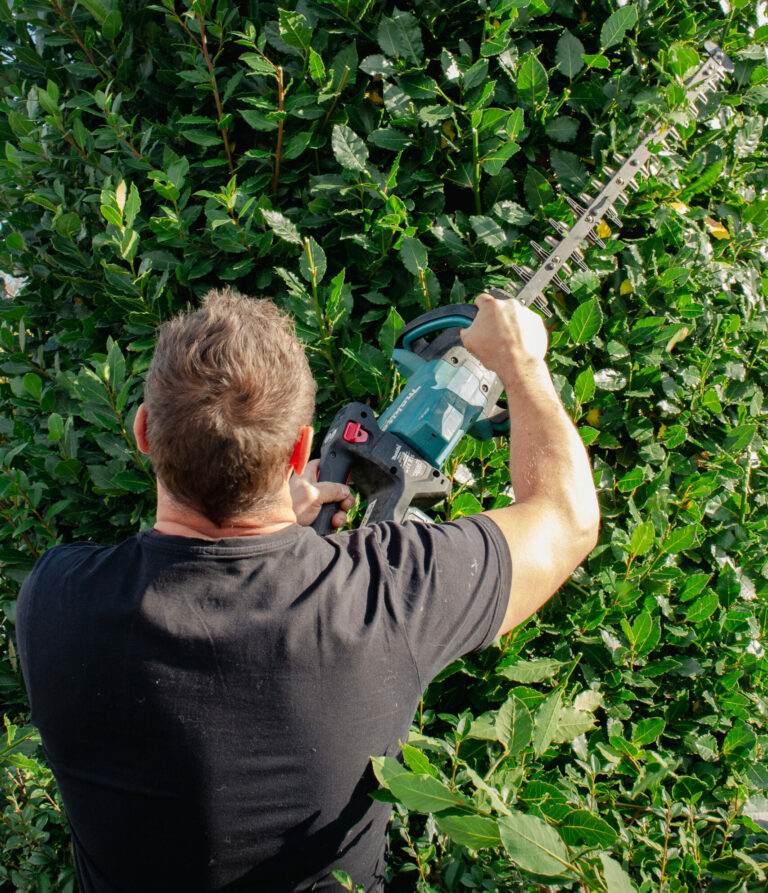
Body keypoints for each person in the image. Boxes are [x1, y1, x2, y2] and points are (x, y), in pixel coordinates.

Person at [16, 288, 599, 892]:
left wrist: (270, 521)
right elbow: (568, 519)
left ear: (142, 431)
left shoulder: (55, 597)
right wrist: (523, 363)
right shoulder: (386, 596)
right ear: (300, 447)